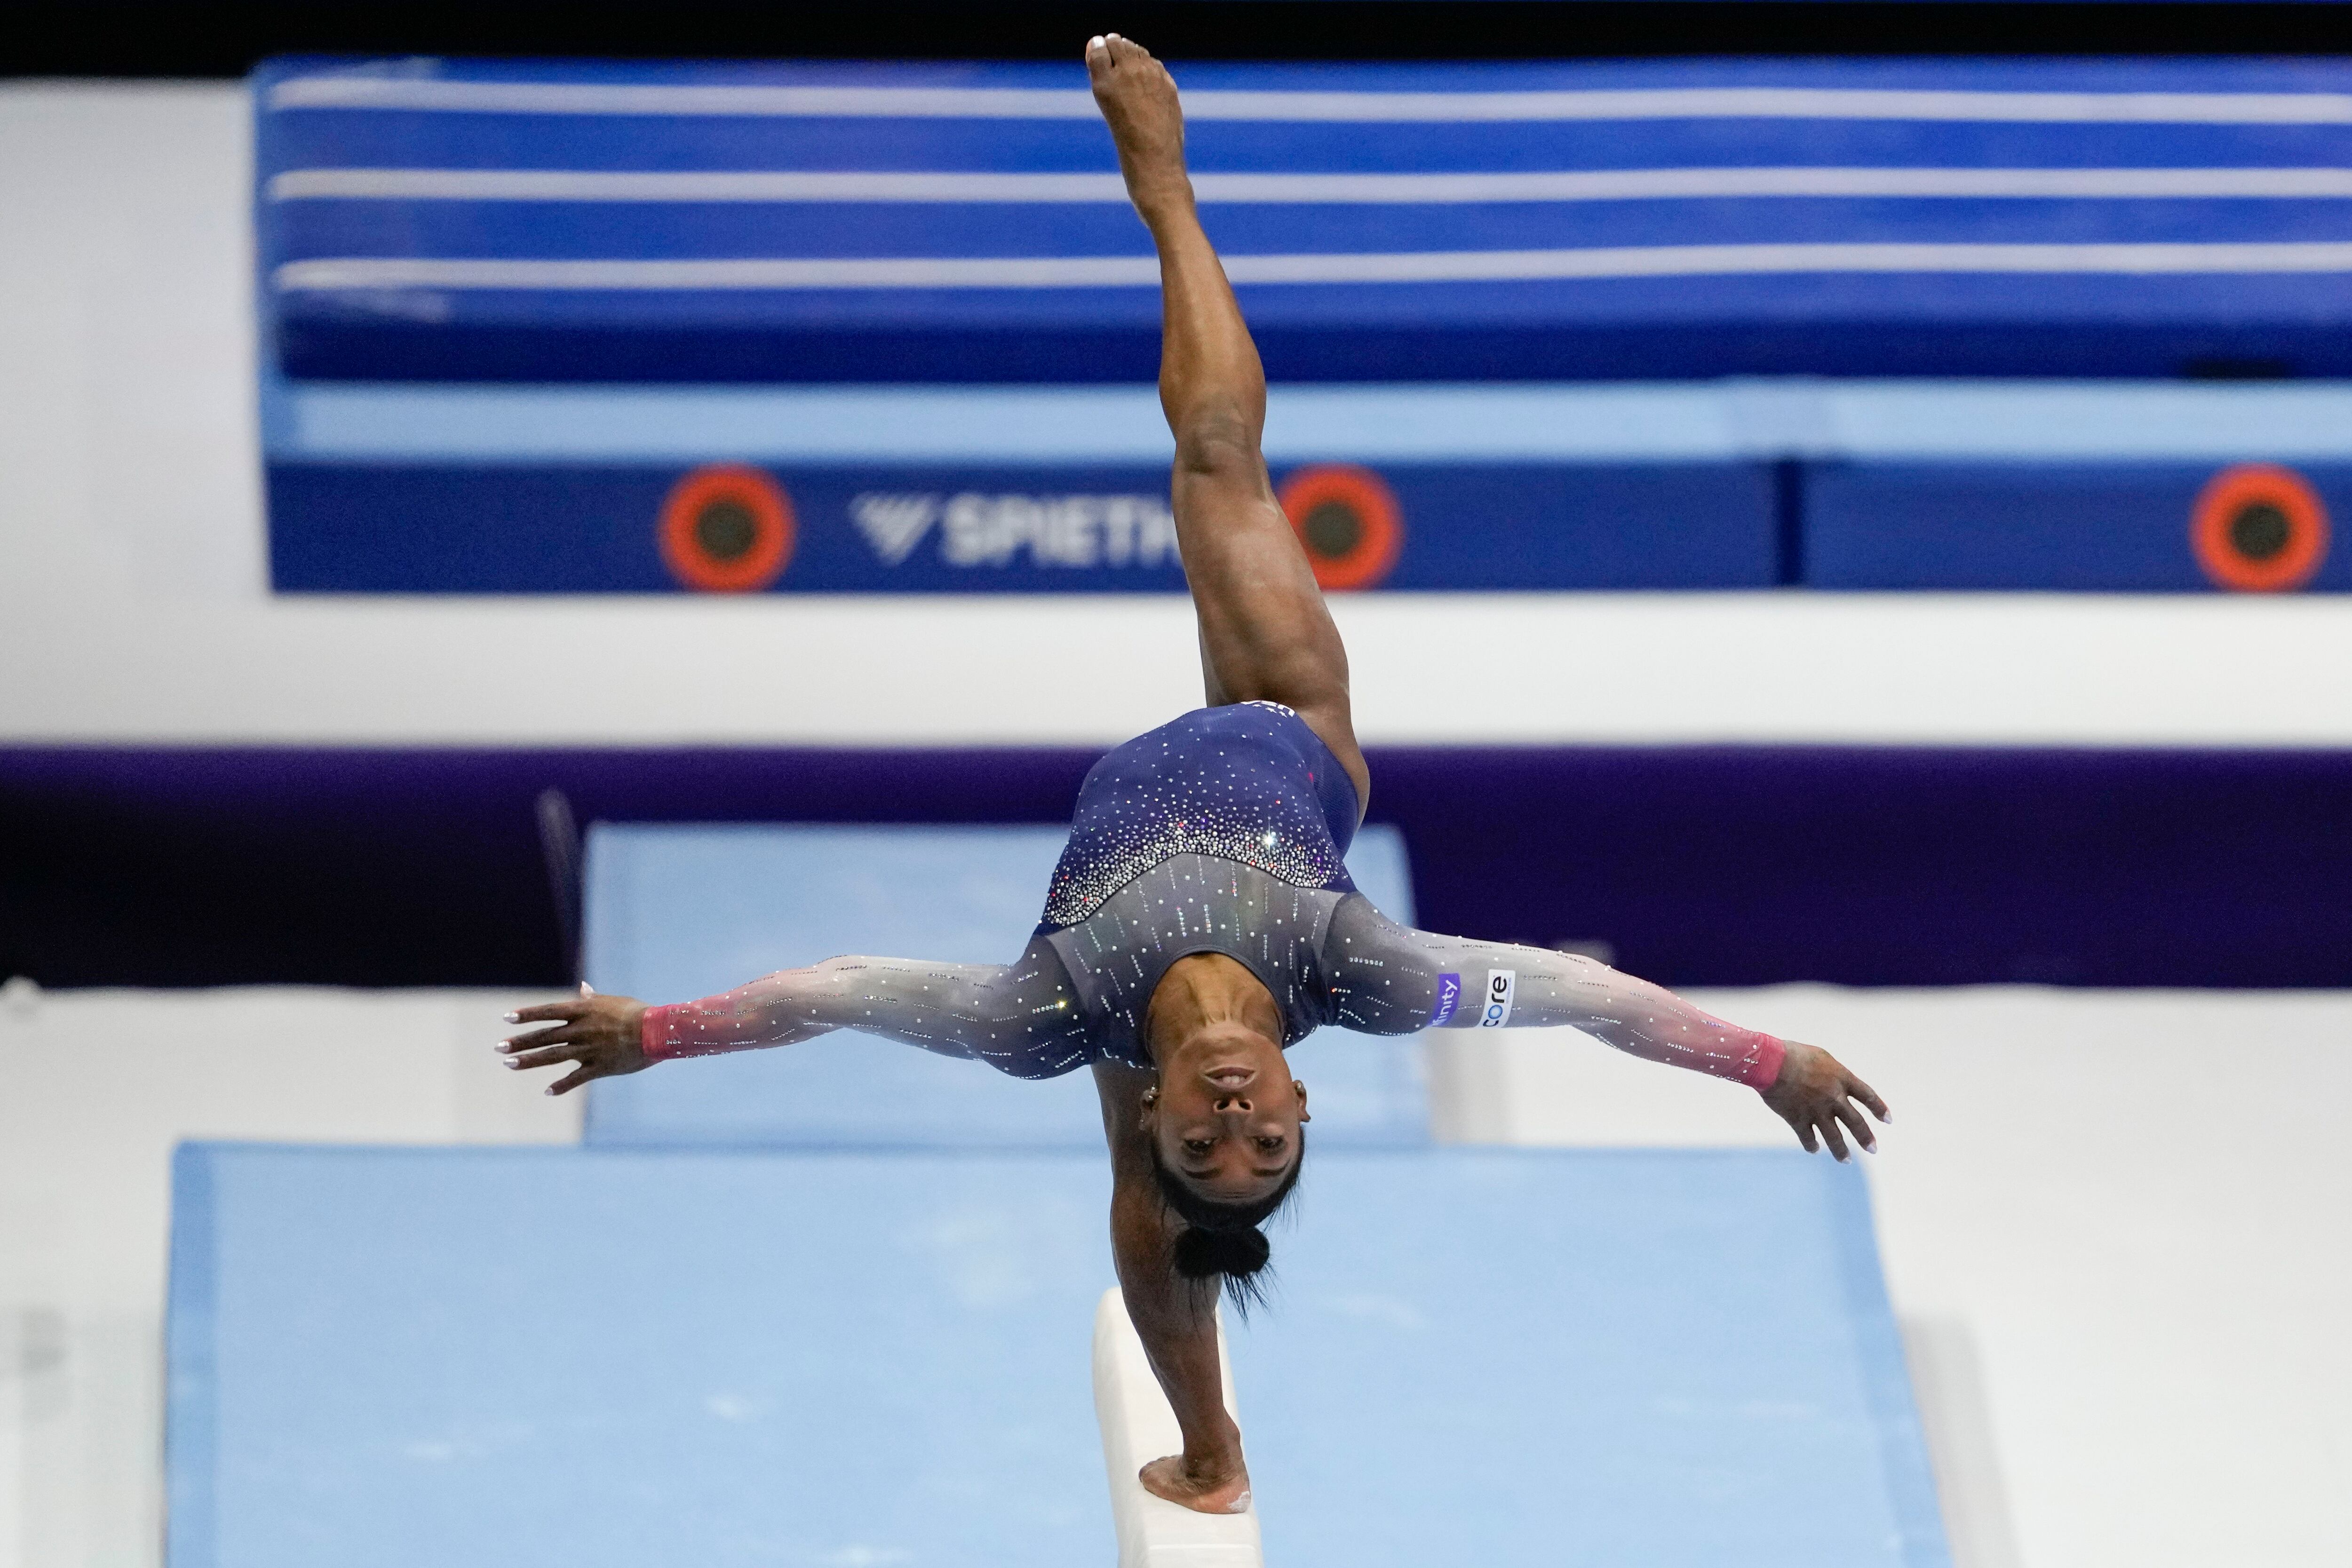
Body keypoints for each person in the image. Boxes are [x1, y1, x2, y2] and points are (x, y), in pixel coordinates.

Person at [498, 32, 1890, 1519]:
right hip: (1286, 728)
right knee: (1220, 456)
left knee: (1145, 1204)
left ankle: (1210, 1437)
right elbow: (1588, 998)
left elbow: (837, 992)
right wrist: (1766, 1062)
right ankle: (1166, 185)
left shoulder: (1045, 1018)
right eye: (1267, 1134)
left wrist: (662, 1033)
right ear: (1301, 1089)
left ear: (1161, 1114)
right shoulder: (1367, 972)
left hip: (1109, 977)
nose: (1233, 1116)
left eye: (1206, 1139)